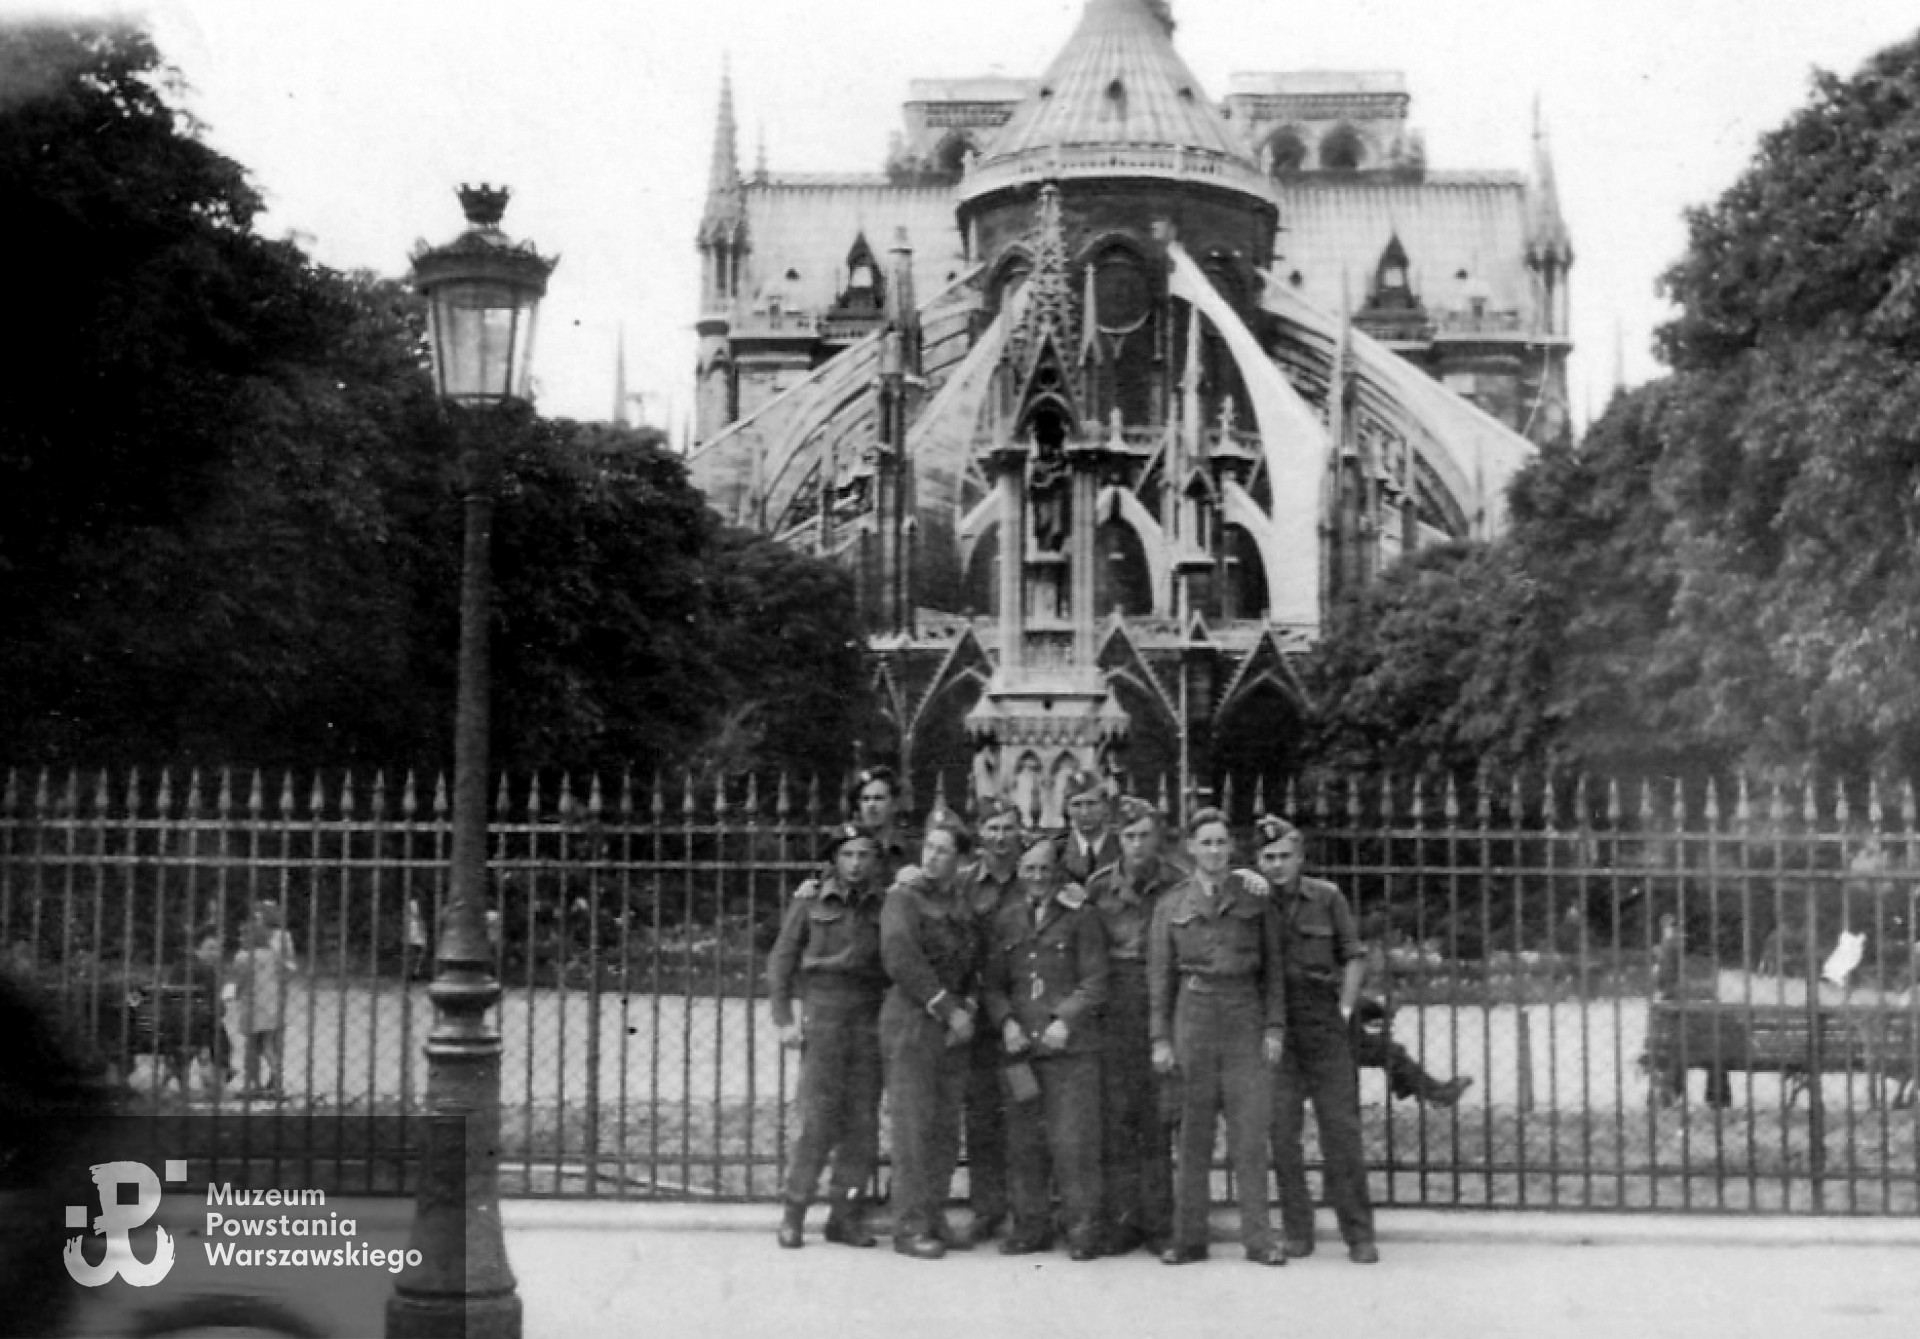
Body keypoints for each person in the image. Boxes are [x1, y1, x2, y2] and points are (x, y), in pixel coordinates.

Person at [1148, 808, 1288, 1266]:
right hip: (1195, 1015)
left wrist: (1273, 1026)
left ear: (1231, 849)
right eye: (1204, 842)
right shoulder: (1171, 905)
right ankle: (1189, 1239)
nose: (1213, 851)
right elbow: (1160, 979)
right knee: (1193, 1135)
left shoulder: (1254, 899)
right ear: (1190, 848)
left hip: (1243, 1014)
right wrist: (1161, 1039)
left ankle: (1259, 1239)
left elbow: (1273, 971)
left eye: (1220, 842)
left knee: (1249, 1135)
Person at [1255, 815, 1379, 1264]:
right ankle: (1297, 1231)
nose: (1277, 865)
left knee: (1341, 1132)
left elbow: (1354, 957)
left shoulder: (1327, 897)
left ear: (1301, 857)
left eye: (1285, 856)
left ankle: (1359, 1234)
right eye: (1268, 857)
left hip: (1325, 1022)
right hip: (1276, 1026)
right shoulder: (1253, 902)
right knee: (1282, 1132)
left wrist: (1345, 1009)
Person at [983, 833, 1109, 1260]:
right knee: (1023, 1141)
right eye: (1029, 870)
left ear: (1057, 873)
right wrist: (1005, 1022)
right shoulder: (1007, 919)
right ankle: (1030, 1226)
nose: (1037, 877)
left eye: (1044, 869)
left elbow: (1095, 983)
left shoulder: (1081, 917)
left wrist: (1066, 1019)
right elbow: (994, 985)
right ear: (1019, 874)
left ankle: (1082, 1228)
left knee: (1073, 1142)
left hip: (1070, 1053)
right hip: (1021, 1053)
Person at [766, 823, 888, 1249]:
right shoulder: (811, 900)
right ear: (835, 859)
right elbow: (781, 961)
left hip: (869, 1015)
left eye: (864, 855)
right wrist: (783, 1018)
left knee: (862, 1122)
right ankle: (794, 1212)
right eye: (848, 855)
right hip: (825, 1013)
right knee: (817, 1120)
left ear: (875, 860)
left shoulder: (887, 902)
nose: (856, 864)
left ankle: (845, 1215)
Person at [879, 812, 982, 1260]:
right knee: (912, 1129)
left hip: (954, 1023)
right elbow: (901, 958)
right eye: (929, 847)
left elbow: (975, 958)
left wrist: (970, 1006)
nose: (932, 857)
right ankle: (909, 1226)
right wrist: (946, 1007)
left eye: (943, 850)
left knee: (943, 1129)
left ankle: (933, 1215)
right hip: (914, 1022)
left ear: (960, 859)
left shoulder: (959, 900)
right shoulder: (904, 897)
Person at [1085, 796, 1180, 1255]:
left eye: (1145, 834)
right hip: (1117, 1006)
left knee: (1159, 1117)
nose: (1138, 844)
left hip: (1165, 1000)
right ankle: (1124, 1219)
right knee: (1118, 1117)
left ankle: (1160, 1223)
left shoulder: (1178, 883)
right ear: (1117, 839)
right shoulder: (1099, 888)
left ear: (1158, 836)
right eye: (1129, 836)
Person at [959, 796, 1024, 1245]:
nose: (1000, 838)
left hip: (1026, 1014)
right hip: (979, 1018)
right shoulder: (964, 885)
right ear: (979, 833)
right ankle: (986, 1208)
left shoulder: (1037, 876)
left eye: (1007, 828)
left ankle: (1028, 1208)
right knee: (982, 1115)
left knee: (1027, 1110)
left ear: (1020, 831)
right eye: (992, 828)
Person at [1350, 911, 1471, 1108]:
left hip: (1347, 1030)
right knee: (1390, 1052)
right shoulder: (1362, 956)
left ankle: (1421, 1090)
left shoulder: (1376, 954)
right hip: (1336, 1035)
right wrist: (1375, 1004)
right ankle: (1432, 1093)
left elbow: (1409, 963)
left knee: (1390, 1051)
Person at [228, 913, 295, 1097]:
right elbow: (287, 971)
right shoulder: (272, 954)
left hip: (253, 1005)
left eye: (244, 935)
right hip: (272, 1004)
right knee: (267, 1045)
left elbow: (240, 982)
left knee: (252, 1046)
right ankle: (276, 1079)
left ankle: (253, 1084)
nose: (240, 939)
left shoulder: (243, 956)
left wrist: (232, 994)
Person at [851, 765, 914, 884]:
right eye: (865, 799)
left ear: (894, 804)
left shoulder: (911, 851)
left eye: (878, 798)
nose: (871, 805)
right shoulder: (848, 849)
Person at [1060, 768, 1121, 884]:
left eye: (1091, 803)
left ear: (1106, 806)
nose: (1084, 813)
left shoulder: (1122, 847)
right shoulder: (1057, 852)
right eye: (1076, 805)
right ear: (1067, 809)